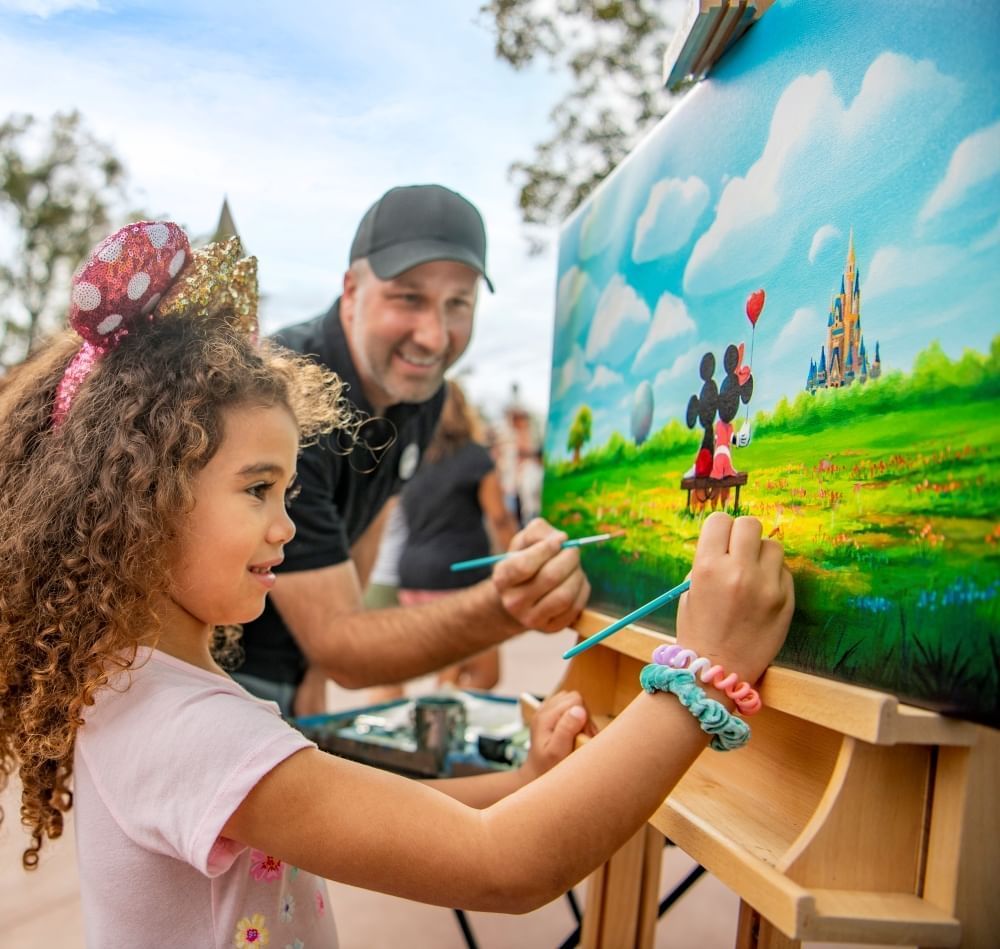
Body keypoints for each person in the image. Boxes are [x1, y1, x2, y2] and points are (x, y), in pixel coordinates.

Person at [0, 220, 795, 949]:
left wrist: (526, 783)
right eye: (257, 489)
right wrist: (705, 673)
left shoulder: (146, 685)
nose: (285, 525)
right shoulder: (191, 734)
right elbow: (502, 866)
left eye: (288, 492)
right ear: (145, 502)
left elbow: (365, 820)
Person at [234, 184, 591, 717]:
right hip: (215, 671)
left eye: (458, 304)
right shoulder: (284, 398)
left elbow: (367, 527)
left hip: (288, 668)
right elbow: (343, 649)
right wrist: (509, 603)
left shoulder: (422, 393)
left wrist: (311, 671)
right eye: (410, 297)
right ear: (351, 290)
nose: (434, 336)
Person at [395, 378, 520, 692]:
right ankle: (440, 726)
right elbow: (499, 517)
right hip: (458, 575)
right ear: (463, 410)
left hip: (412, 575)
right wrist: (519, 559)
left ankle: (440, 719)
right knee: (480, 672)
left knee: (453, 664)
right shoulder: (475, 457)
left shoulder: (414, 458)